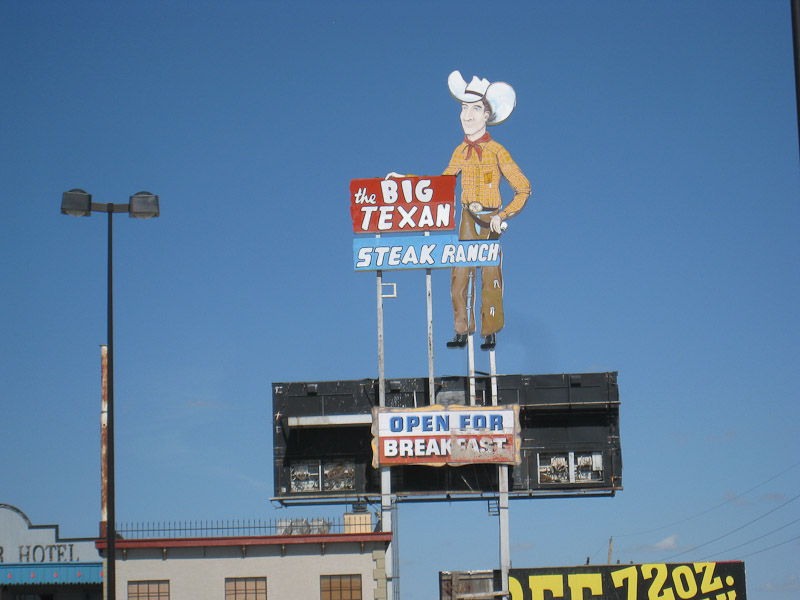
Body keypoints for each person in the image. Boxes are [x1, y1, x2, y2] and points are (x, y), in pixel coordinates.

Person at [443, 71, 531, 350]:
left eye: (475, 109)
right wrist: (407, 183)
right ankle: (461, 329)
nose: (467, 115)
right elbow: (441, 183)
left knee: (490, 276)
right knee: (459, 275)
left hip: (490, 220)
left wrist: (501, 215)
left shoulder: (497, 151)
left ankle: (490, 331)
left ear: (487, 115)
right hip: (467, 219)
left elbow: (523, 188)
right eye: (463, 108)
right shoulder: (460, 151)